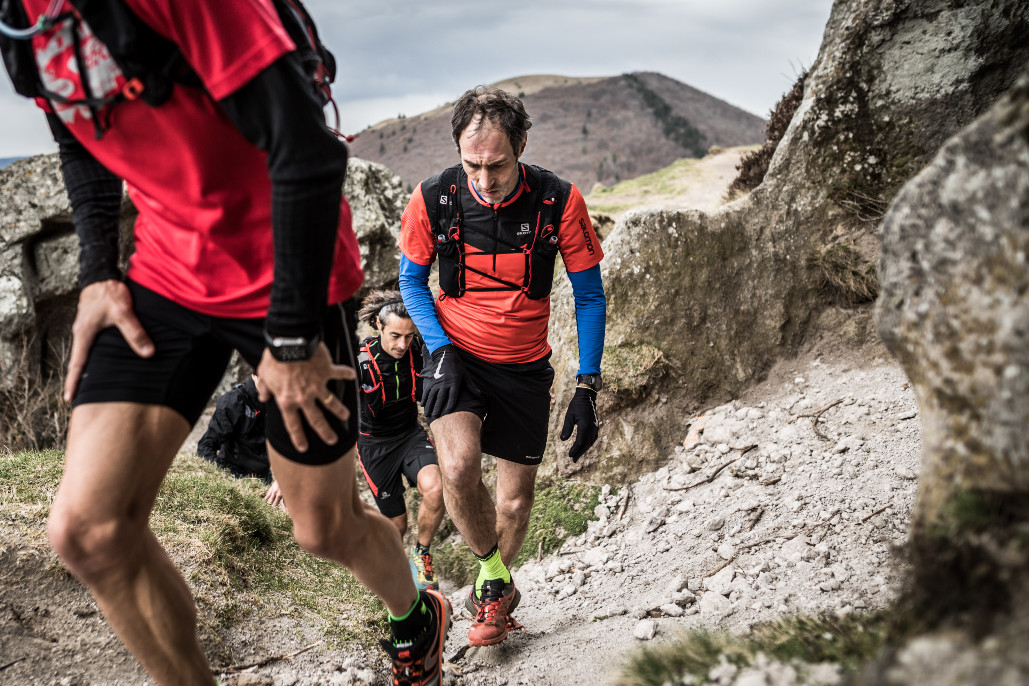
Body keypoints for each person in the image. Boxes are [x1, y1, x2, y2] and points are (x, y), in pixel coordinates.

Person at [0, 1, 449, 684]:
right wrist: (98, 273)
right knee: (88, 531)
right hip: (167, 270)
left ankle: (416, 617)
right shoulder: (23, 18)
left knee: (322, 528)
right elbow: (73, 125)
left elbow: (307, 151)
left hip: (289, 272)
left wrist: (293, 339)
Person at [398, 85, 607, 647]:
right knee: (460, 469)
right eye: (473, 165)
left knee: (514, 502)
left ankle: (495, 589)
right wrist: (438, 350)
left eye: (498, 165)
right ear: (458, 151)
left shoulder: (559, 201)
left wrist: (588, 385)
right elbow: (411, 284)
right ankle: (495, 586)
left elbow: (589, 296)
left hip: (523, 366)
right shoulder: (434, 198)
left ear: (521, 147)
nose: (484, 180)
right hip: (456, 358)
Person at [264, 291, 447, 591]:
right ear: (378, 325)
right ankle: (391, 578)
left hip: (410, 435)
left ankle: (422, 554)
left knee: (436, 488)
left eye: (409, 336)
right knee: (396, 526)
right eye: (395, 336)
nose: (402, 344)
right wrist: (288, 473)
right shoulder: (358, 361)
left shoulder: (419, 352)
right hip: (374, 447)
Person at [197, 372, 271, 482]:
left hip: (264, 476)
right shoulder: (234, 401)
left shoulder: (278, 401)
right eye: (266, 380)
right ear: (254, 376)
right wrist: (225, 476)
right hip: (234, 472)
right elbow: (206, 446)